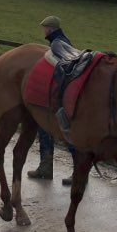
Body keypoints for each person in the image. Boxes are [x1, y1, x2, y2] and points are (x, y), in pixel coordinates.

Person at [26, 14, 76, 183]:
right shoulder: (60, 41)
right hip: (56, 98)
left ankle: (79, 173)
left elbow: (64, 69)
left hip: (60, 99)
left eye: (45, 28)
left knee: (66, 133)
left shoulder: (58, 43)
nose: (44, 30)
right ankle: (45, 167)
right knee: (45, 129)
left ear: (51, 28)